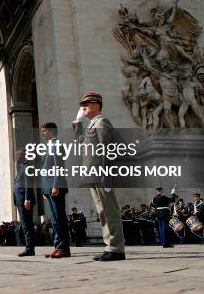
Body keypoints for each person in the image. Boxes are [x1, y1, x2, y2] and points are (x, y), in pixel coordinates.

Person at [73, 92, 125, 261]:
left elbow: (108, 150)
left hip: (101, 173)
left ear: (96, 105)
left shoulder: (102, 122)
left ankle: (116, 248)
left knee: (109, 211)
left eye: (86, 104)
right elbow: (80, 142)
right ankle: (109, 246)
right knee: (102, 212)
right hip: (92, 174)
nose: (83, 107)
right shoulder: (91, 125)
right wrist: (77, 122)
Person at [37, 122, 71, 258]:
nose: (42, 133)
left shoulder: (56, 145)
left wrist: (56, 185)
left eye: (44, 131)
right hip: (48, 187)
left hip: (55, 186)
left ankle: (64, 249)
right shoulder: (49, 146)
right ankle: (58, 247)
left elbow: (59, 166)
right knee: (54, 219)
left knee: (59, 218)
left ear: (51, 131)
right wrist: (45, 190)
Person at [13, 149, 36, 256]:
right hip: (20, 201)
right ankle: (29, 247)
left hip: (24, 201)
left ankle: (29, 249)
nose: (15, 158)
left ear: (22, 156)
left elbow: (28, 184)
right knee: (25, 224)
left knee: (27, 225)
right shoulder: (22, 168)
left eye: (17, 156)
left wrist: (27, 199)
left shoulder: (27, 168)